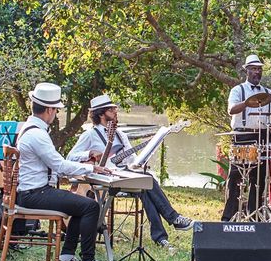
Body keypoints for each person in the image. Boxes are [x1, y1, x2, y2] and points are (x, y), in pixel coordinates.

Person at [68, 94, 193, 252]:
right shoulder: (89, 135)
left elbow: (132, 160)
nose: (115, 111)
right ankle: (172, 219)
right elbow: (70, 157)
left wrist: (141, 159)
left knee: (145, 184)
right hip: (104, 178)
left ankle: (161, 237)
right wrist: (90, 154)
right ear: (101, 113)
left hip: (124, 175)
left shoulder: (120, 134)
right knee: (146, 181)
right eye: (111, 109)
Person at [17, 82, 112, 261]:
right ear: (49, 110)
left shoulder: (30, 128)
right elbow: (59, 165)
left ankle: (67, 255)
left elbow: (57, 166)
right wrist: (92, 167)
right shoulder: (37, 134)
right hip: (34, 193)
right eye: (56, 110)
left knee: (80, 204)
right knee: (91, 206)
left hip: (32, 191)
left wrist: (84, 165)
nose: (57, 114)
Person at [221, 54, 271, 222]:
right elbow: (231, 110)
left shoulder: (269, 93)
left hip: (263, 136)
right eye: (254, 69)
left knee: (259, 178)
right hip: (243, 136)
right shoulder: (238, 90)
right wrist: (247, 103)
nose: (257, 72)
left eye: (259, 69)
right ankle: (229, 216)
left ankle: (254, 214)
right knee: (236, 177)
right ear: (246, 71)